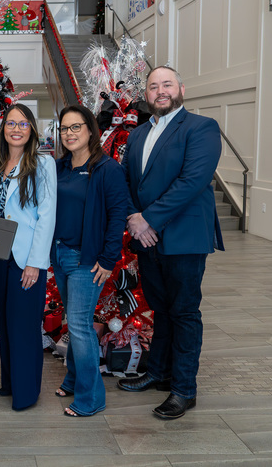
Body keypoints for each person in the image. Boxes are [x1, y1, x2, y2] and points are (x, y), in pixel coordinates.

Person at [118, 66, 223, 419]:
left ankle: (183, 389)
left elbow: (193, 181)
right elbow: (128, 182)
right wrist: (135, 218)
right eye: (153, 86)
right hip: (146, 238)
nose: (160, 91)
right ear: (146, 95)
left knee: (184, 313)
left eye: (167, 84)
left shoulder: (200, 127)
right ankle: (158, 373)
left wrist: (148, 219)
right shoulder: (137, 134)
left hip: (184, 237)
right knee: (161, 310)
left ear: (181, 88)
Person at [50, 104, 129, 417]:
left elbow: (117, 216)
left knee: (80, 325)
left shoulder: (107, 169)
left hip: (88, 260)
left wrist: (108, 259)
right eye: (65, 128)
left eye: (76, 127)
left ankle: (92, 396)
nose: (69, 134)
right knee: (73, 321)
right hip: (60, 254)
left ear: (90, 130)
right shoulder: (59, 167)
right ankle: (73, 378)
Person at [0, 103, 56, 410]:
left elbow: (47, 216)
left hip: (25, 256)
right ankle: (10, 382)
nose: (16, 129)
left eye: (23, 124)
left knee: (24, 325)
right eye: (11, 123)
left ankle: (26, 394)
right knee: (4, 322)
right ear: (3, 129)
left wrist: (35, 262)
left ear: (32, 129)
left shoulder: (43, 163)